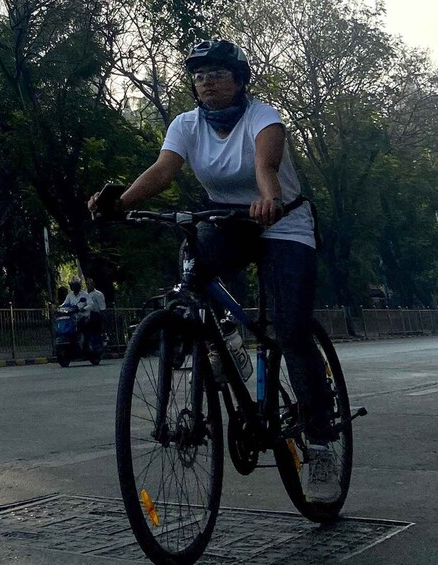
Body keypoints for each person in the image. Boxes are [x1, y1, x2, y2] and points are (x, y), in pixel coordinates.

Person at [88, 39, 338, 503]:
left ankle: (321, 445)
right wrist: (120, 203)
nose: (206, 81)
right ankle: (226, 340)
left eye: (218, 73)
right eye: (199, 74)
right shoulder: (186, 124)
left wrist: (268, 199)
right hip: (226, 220)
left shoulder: (264, 117)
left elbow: (267, 165)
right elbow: (164, 170)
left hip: (282, 222)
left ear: (240, 80)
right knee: (193, 266)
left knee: (290, 329)